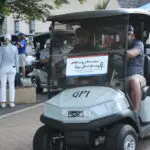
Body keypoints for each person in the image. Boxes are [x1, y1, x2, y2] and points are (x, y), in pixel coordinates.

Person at [126, 25, 146, 113]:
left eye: (127, 34)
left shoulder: (138, 44)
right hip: (123, 76)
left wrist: (118, 52)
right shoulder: (119, 46)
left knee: (134, 81)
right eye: (123, 34)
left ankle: (136, 112)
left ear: (132, 35)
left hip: (138, 76)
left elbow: (132, 54)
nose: (125, 36)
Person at [0, 33, 19, 108]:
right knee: (12, 85)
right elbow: (17, 60)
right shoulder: (15, 48)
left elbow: (0, 60)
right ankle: (12, 102)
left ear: (4, 39)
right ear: (11, 40)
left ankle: (3, 102)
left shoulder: (1, 48)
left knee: (3, 85)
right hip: (12, 68)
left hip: (3, 68)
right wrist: (17, 70)